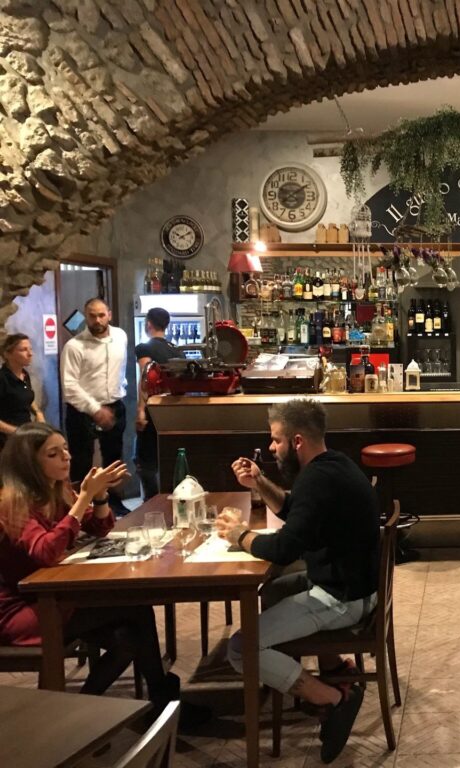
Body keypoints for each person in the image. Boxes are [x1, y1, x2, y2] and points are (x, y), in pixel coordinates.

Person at [0, 423, 202, 721]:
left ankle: (86, 709)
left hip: (54, 595)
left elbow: (99, 527)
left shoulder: (55, 490)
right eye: (54, 454)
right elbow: (45, 551)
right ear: (30, 463)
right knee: (136, 610)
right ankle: (158, 700)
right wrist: (84, 497)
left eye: (65, 449)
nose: (66, 457)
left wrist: (100, 496)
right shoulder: (11, 503)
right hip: (22, 609)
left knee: (128, 637)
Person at [215, 398, 379, 763]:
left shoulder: (316, 480)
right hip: (354, 586)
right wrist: (259, 481)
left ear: (298, 440)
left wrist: (240, 535)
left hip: (343, 598)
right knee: (273, 590)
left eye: (276, 439)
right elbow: (294, 512)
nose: (272, 447)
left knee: (241, 648)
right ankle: (335, 669)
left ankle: (333, 698)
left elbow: (284, 549)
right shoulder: (332, 466)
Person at [60, 298, 129, 515]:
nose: (97, 320)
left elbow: (121, 370)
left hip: (115, 405)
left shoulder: (120, 336)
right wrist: (95, 409)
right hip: (82, 411)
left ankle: (114, 504)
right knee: (81, 462)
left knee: (114, 460)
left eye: (101, 315)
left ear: (109, 315)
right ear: (86, 317)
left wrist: (119, 393)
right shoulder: (74, 346)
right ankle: (82, 510)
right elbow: (69, 386)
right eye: (92, 316)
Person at [134, 308, 177, 499]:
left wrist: (140, 410)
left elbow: (145, 379)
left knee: (145, 462)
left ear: (148, 324)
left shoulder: (144, 348)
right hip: (170, 410)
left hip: (152, 408)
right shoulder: (175, 349)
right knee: (166, 457)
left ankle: (150, 502)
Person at [0, 334, 45, 451]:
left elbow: (26, 397)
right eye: (23, 350)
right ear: (7, 354)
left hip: (25, 435)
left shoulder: (24, 375)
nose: (30, 354)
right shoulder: (2, 379)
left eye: (30, 349)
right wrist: (16, 432)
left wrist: (38, 412)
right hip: (7, 440)